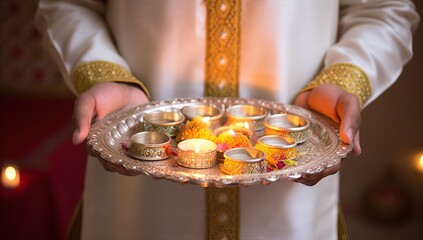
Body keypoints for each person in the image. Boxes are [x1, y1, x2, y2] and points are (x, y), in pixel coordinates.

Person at [35, 0, 419, 239]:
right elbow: (68, 4)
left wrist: (344, 78)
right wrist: (104, 74)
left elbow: (383, 8)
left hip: (288, 207)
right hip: (141, 204)